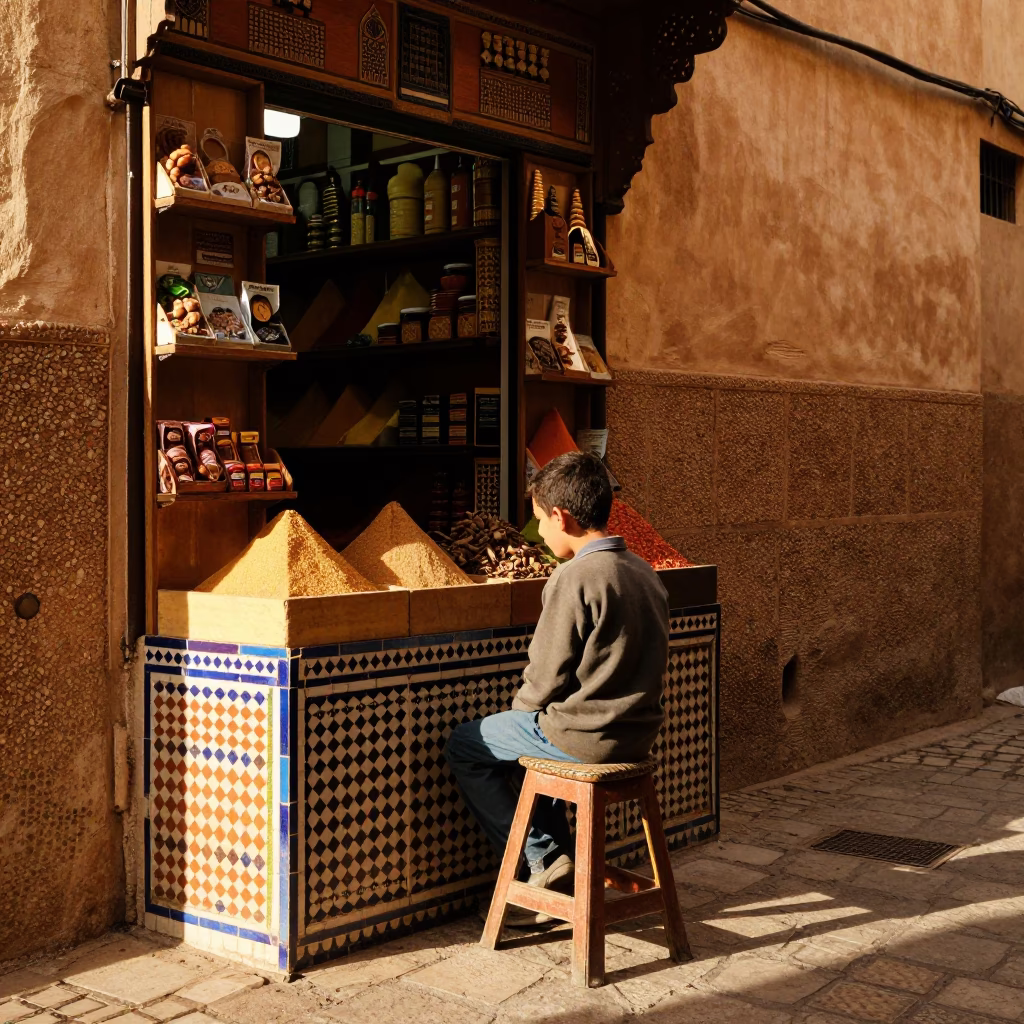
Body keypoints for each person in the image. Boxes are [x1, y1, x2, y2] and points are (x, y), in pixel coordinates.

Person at [444, 451, 670, 925]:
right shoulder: (645, 573)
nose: (538, 534)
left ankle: (542, 858)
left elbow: (543, 681)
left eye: (538, 521)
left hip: (583, 737)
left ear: (560, 516)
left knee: (469, 743)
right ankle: (558, 863)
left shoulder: (575, 577)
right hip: (637, 736)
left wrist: (519, 717)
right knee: (532, 746)